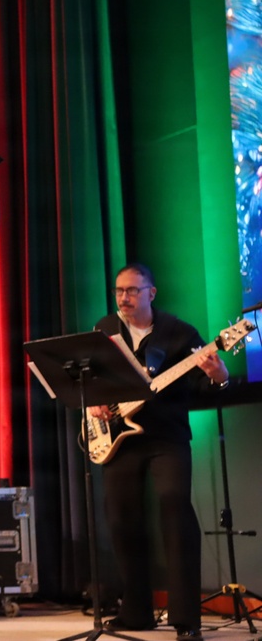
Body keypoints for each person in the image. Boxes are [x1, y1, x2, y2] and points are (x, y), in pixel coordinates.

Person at [91, 263, 229, 641]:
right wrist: (95, 404)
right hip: (120, 437)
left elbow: (205, 386)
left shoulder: (181, 333)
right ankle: (136, 612)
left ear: (151, 293)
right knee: (121, 520)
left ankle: (186, 620)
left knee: (175, 511)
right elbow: (90, 379)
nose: (124, 298)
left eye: (133, 290)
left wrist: (219, 376)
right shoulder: (105, 329)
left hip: (167, 437)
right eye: (120, 291)